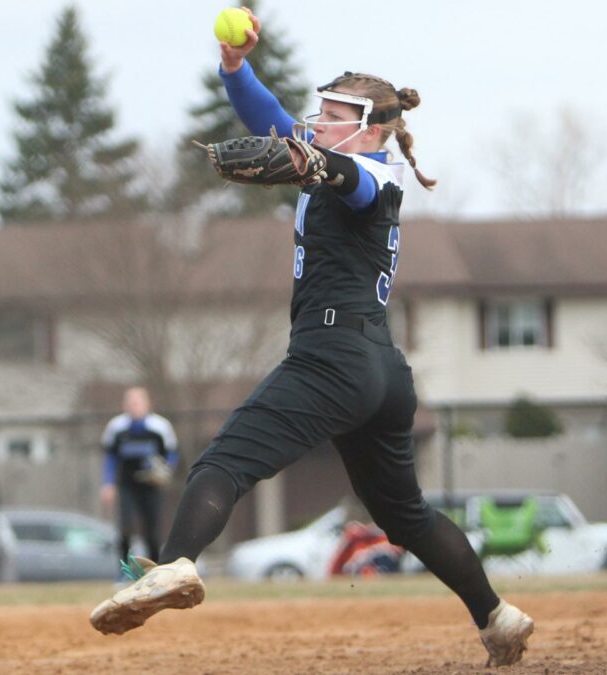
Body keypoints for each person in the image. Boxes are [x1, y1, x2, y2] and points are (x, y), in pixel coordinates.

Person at [90, 8, 534, 667]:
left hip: (333, 357)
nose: (318, 121)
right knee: (405, 516)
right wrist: (235, 69)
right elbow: (272, 118)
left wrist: (315, 161)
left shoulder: (377, 173)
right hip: (379, 369)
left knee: (222, 463)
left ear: (373, 127)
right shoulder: (324, 151)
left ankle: (177, 564)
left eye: (333, 115)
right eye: (320, 112)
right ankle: (499, 617)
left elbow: (346, 181)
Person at [99, 386, 179, 564]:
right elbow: (110, 457)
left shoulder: (160, 427)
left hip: (151, 484)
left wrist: (165, 471)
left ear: (147, 404)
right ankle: (125, 571)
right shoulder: (116, 427)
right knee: (125, 528)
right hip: (127, 483)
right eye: (130, 402)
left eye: (138, 402)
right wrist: (108, 483)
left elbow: (172, 454)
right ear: (124, 405)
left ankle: (156, 570)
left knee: (152, 532)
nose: (134, 406)